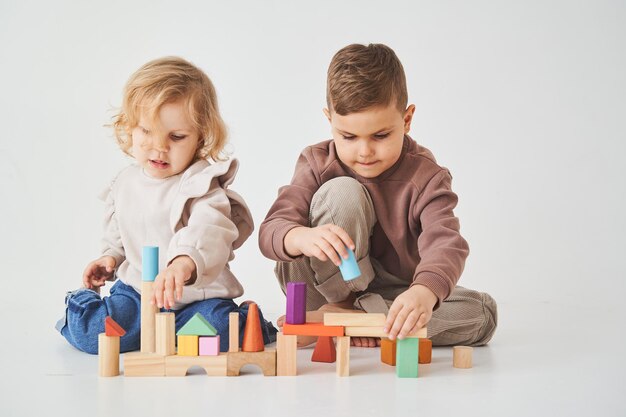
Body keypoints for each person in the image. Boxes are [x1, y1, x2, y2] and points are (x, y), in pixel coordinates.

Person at [259, 43, 497, 348]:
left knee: (482, 312)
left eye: (381, 135)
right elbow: (271, 230)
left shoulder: (426, 176)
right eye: (348, 136)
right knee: (341, 193)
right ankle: (351, 314)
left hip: (391, 293)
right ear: (329, 120)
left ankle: (351, 320)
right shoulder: (316, 162)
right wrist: (300, 237)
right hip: (318, 285)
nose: (365, 151)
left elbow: (446, 243)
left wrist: (423, 292)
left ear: (407, 120)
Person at [56, 56, 276, 354]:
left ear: (201, 138)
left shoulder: (202, 184)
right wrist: (109, 259)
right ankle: (90, 309)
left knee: (224, 330)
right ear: (129, 127)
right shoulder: (125, 183)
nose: (159, 147)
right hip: (138, 296)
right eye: (146, 131)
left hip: (196, 300)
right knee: (93, 332)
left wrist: (184, 262)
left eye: (176, 136)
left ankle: (218, 326)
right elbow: (119, 236)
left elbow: (209, 230)